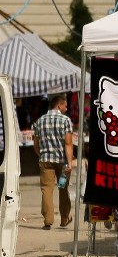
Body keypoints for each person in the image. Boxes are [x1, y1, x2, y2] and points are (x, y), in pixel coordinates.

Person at [32, 94, 74, 230]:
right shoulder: (65, 120)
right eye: (65, 106)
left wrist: (42, 155)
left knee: (46, 190)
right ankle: (64, 218)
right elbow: (68, 143)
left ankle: (48, 220)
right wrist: (69, 163)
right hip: (62, 162)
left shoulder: (40, 121)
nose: (66, 109)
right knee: (63, 188)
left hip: (45, 161)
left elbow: (36, 145)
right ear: (59, 105)